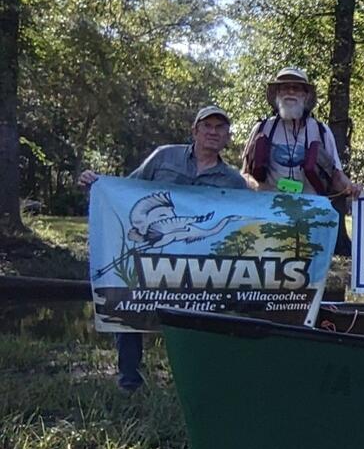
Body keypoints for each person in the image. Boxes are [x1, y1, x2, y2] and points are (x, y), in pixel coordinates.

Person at [78, 104, 246, 392]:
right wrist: (96, 184)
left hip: (197, 265)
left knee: (203, 317)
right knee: (128, 301)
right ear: (195, 130)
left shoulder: (233, 181)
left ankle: (193, 382)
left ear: (228, 136)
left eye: (220, 128)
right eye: (207, 126)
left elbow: (246, 219)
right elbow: (126, 189)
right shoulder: (164, 156)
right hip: (151, 252)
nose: (213, 132)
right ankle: (128, 380)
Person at [240, 67, 362, 199]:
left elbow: (336, 175)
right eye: (285, 87)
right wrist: (256, 187)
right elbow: (244, 174)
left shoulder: (321, 130)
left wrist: (351, 187)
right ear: (277, 93)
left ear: (305, 95)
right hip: (269, 210)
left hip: (311, 212)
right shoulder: (262, 128)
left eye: (297, 88)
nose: (291, 92)